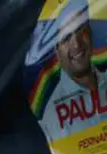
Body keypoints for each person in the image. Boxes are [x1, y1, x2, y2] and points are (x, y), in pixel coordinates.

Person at [40, 0, 107, 142]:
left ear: (90, 31)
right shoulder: (52, 117)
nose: (76, 44)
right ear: (56, 50)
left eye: (80, 30)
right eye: (66, 38)